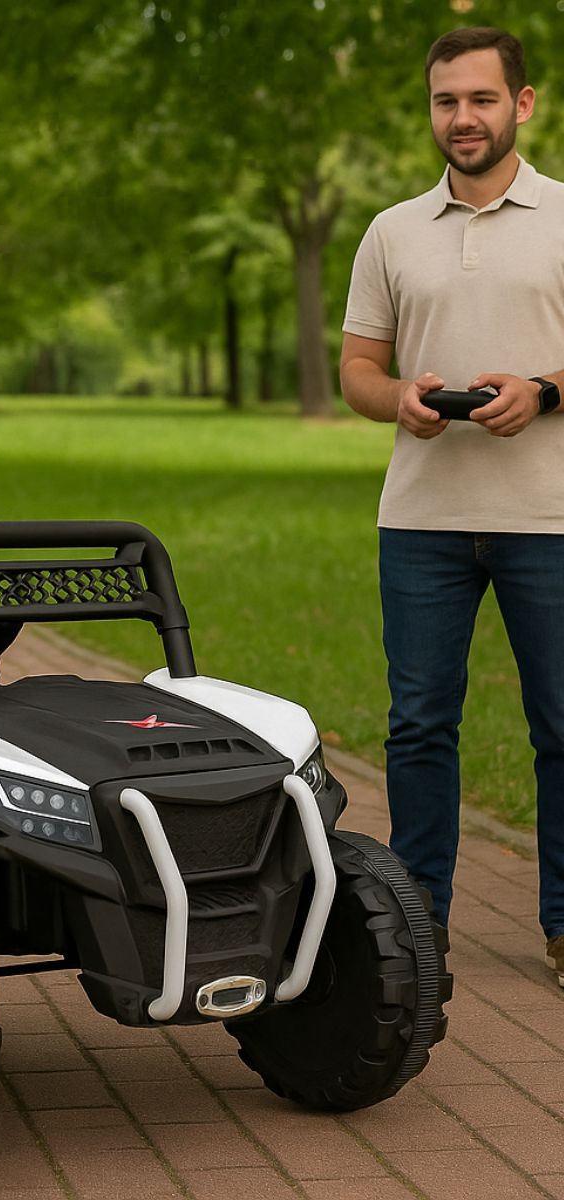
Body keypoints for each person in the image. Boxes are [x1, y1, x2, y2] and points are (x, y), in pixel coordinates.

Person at [340, 26, 564, 985]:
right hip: (422, 520)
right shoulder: (392, 230)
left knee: (560, 727)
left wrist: (544, 391)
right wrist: (403, 401)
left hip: (549, 519)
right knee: (420, 725)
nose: (461, 118)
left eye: (479, 99)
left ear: (521, 103)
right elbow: (357, 369)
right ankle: (418, 922)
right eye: (445, 101)